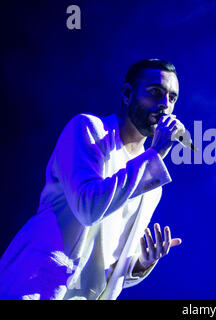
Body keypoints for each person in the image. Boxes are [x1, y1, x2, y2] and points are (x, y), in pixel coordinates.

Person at [0, 59, 185, 300]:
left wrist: (140, 264)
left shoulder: (151, 182)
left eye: (172, 98)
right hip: (36, 285)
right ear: (128, 94)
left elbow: (107, 264)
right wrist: (155, 154)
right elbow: (88, 208)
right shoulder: (88, 129)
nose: (164, 105)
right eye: (155, 93)